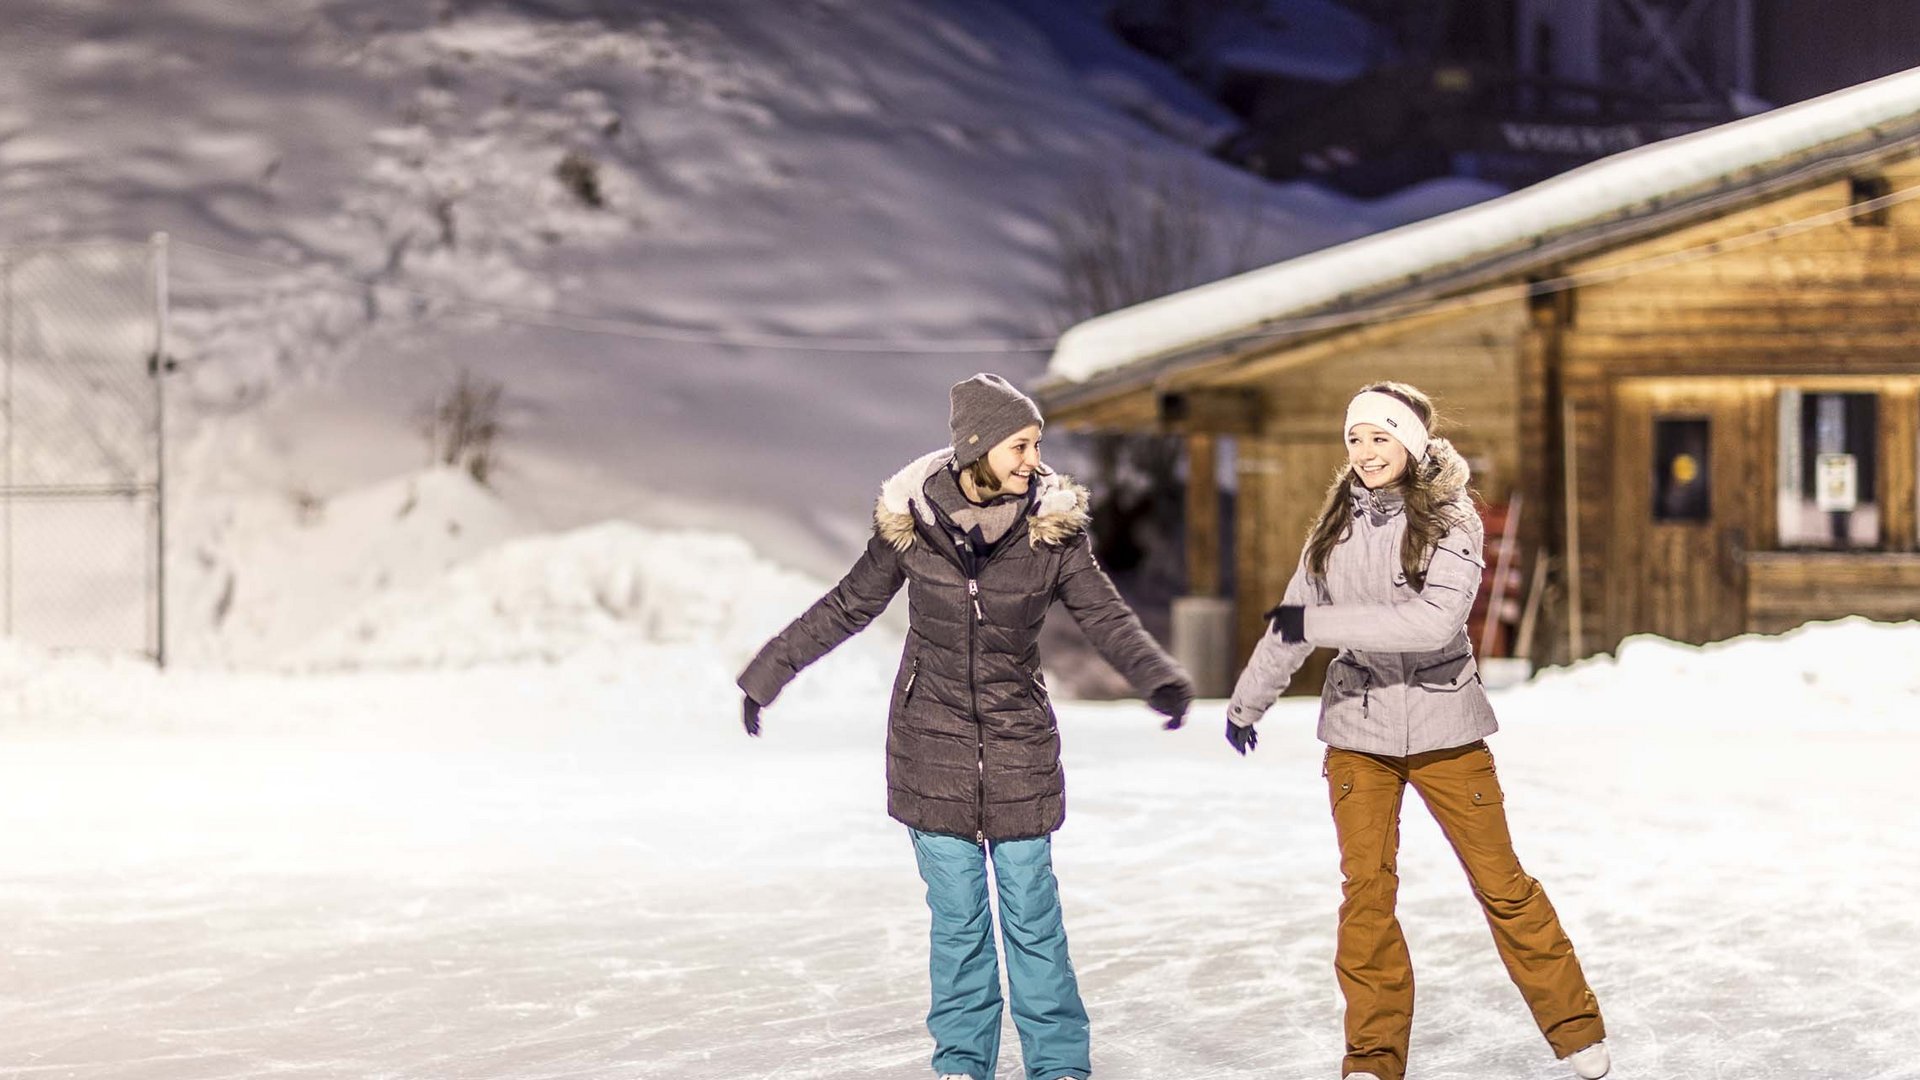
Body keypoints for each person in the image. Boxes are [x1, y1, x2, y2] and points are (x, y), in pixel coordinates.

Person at [739, 373, 1194, 1080]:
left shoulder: (1053, 533)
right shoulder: (912, 528)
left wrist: (1156, 676)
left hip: (1019, 750)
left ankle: (1060, 1067)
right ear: (977, 446)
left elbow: (1104, 614)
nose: (1033, 460)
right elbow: (845, 607)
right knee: (959, 929)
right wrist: (768, 672)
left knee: (1033, 925)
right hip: (931, 751)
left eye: (1037, 444)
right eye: (1020, 444)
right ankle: (961, 1064)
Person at [1224, 382, 1611, 1080]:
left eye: (1380, 437)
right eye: (1355, 439)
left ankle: (1576, 1028)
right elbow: (1291, 615)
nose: (1366, 452)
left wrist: (1318, 628)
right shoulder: (1332, 530)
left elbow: (1433, 624)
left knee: (1502, 884)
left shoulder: (1453, 521)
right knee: (1366, 893)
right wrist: (1247, 703)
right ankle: (1372, 1059)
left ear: (1412, 442)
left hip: (1446, 727)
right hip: (1358, 729)